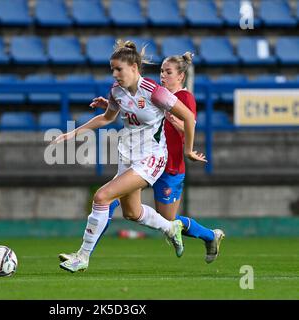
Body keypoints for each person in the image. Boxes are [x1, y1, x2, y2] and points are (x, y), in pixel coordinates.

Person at [51, 40, 207, 273]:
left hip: (152, 158)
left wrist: (188, 150)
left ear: (134, 68)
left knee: (102, 196)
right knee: (132, 213)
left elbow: (187, 117)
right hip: (128, 156)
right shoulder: (116, 91)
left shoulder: (155, 91)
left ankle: (82, 257)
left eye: (118, 69)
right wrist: (73, 133)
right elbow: (107, 117)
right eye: (112, 69)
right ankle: (169, 227)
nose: (114, 74)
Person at [85, 52, 225, 263]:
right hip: (144, 161)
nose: (163, 76)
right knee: (108, 199)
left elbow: (189, 126)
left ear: (181, 77)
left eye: (168, 72)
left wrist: (174, 122)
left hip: (170, 167)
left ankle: (210, 235)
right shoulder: (154, 95)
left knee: (168, 219)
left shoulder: (184, 98)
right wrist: (111, 105)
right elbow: (136, 110)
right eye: (161, 71)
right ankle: (84, 254)